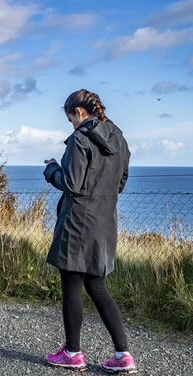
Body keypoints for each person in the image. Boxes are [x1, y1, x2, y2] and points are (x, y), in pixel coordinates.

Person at [42, 90, 136, 373]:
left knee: (71, 285)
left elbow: (71, 183)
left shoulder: (80, 138)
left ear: (79, 113)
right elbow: (120, 183)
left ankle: (73, 353)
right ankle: (123, 355)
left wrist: (51, 170)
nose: (70, 123)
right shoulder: (119, 138)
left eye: (70, 117)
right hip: (105, 221)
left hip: (77, 222)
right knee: (97, 286)